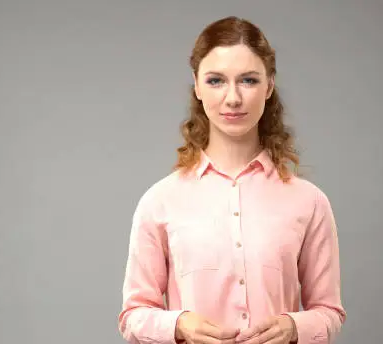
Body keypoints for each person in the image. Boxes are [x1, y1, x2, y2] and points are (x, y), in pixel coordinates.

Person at [117, 16, 346, 344]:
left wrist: (296, 326)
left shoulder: (309, 202)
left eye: (249, 80)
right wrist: (179, 325)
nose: (233, 98)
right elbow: (133, 314)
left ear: (268, 86)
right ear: (196, 85)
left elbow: (329, 311)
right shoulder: (159, 201)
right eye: (216, 81)